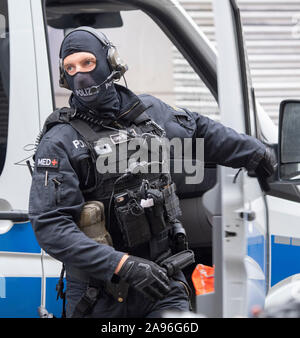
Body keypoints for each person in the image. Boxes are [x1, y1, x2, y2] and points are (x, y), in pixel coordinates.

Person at [29, 27, 276, 318]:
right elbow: (52, 226)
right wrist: (122, 265)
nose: (80, 75)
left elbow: (200, 130)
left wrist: (258, 153)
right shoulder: (59, 141)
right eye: (70, 68)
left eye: (87, 63)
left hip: (162, 281)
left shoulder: (149, 113)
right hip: (100, 294)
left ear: (110, 62)